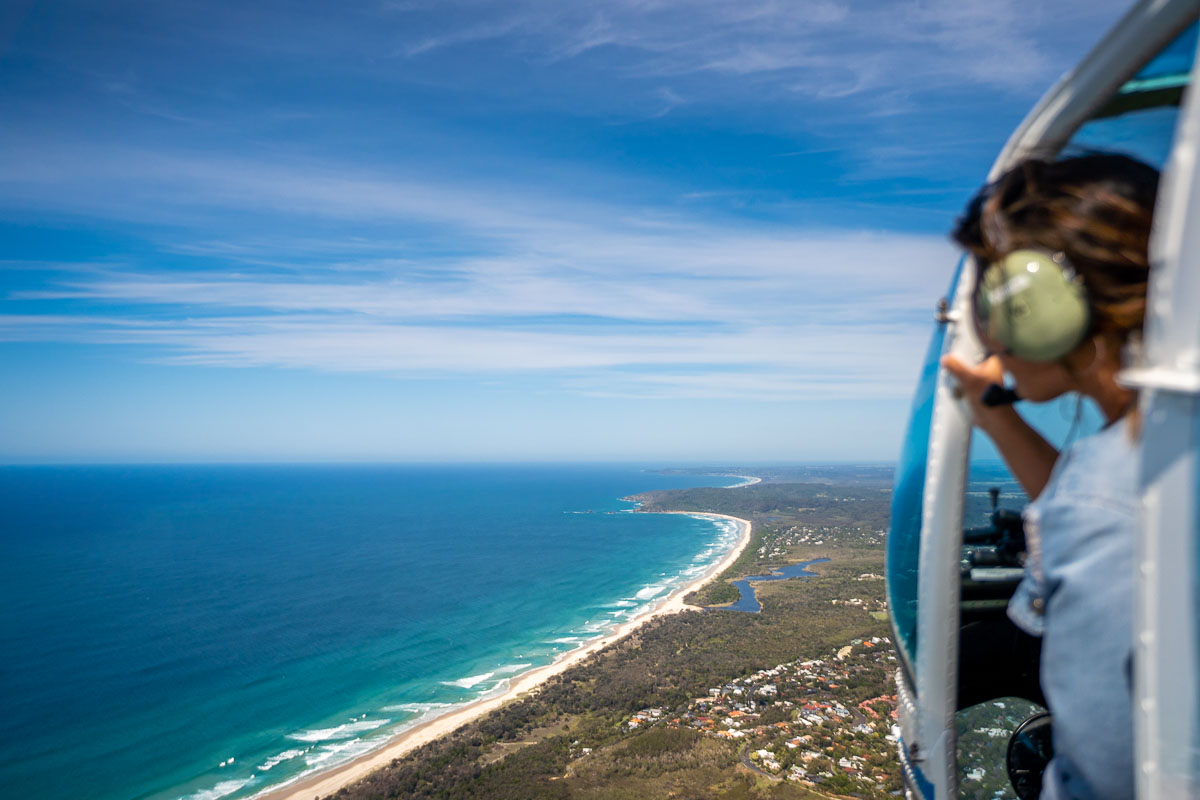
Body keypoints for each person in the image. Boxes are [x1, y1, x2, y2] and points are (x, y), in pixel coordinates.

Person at [942, 153, 1159, 800]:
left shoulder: (1104, 502)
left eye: (992, 300)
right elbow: (1101, 497)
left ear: (1039, 305)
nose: (986, 332)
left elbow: (1104, 783)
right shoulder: (1162, 444)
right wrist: (992, 413)